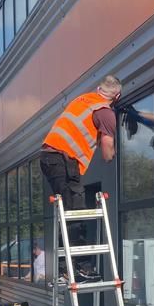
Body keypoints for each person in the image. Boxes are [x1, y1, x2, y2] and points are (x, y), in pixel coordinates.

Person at [40, 74, 122, 210]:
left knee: (68, 207)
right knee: (74, 208)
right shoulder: (105, 112)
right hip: (61, 159)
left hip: (49, 156)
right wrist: (114, 152)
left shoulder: (83, 99)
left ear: (98, 89)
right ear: (117, 96)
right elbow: (107, 154)